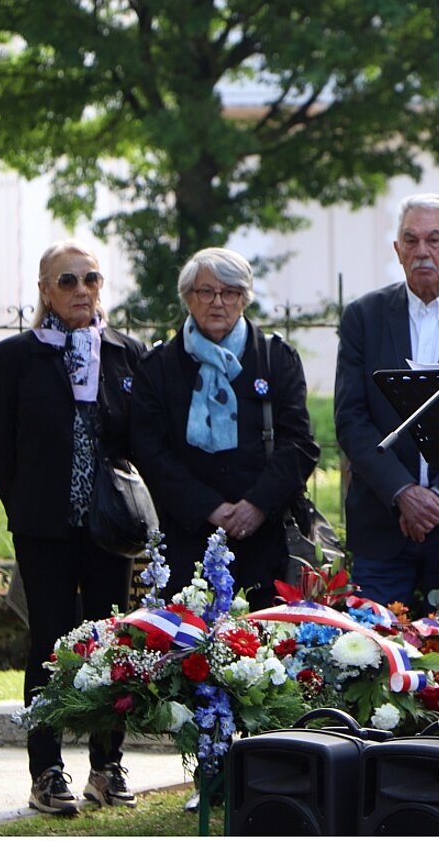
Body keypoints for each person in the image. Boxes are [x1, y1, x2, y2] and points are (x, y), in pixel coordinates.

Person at [0, 239, 147, 814]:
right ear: (45, 291)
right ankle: (47, 771)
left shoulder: (126, 353)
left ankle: (107, 764)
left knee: (111, 641)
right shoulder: (15, 357)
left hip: (110, 527)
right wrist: (27, 505)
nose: (81, 290)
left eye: (91, 279)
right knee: (49, 641)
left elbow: (141, 441)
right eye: (68, 280)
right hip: (44, 525)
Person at [334, 193, 439, 613]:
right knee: (371, 647)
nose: (422, 251)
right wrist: (403, 492)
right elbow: (351, 419)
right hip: (382, 524)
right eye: (410, 240)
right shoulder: (364, 317)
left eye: (434, 239)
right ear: (397, 250)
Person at [131, 247, 320, 610]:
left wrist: (256, 506)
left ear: (244, 298)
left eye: (230, 292)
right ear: (188, 297)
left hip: (265, 539)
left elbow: (299, 444)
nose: (218, 302)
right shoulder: (159, 367)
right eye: (206, 291)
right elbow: (149, 451)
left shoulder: (276, 359)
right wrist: (210, 508)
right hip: (188, 539)